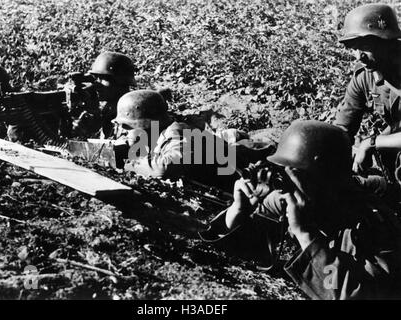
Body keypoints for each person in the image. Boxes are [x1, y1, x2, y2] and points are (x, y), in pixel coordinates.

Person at [201, 120, 401, 299]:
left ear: (323, 176)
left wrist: (306, 235)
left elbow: (362, 294)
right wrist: (238, 210)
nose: (288, 183)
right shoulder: (290, 200)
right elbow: (235, 251)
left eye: (296, 174)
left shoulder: (373, 224)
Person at [111, 90, 273, 192]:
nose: (126, 133)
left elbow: (165, 169)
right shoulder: (158, 133)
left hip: (240, 173)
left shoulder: (176, 132)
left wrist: (130, 163)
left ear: (146, 124)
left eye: (129, 127)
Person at [333, 4, 401, 193]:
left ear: (387, 41)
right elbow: (342, 130)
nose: (359, 56)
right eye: (354, 48)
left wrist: (372, 143)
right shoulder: (365, 77)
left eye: (364, 46)